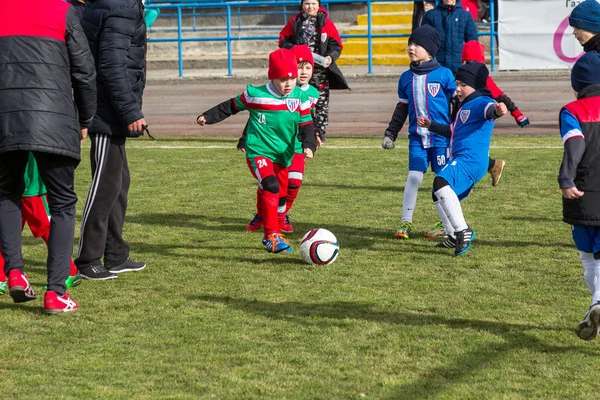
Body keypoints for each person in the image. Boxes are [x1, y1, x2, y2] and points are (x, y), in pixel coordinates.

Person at [0, 0, 96, 313]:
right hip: (53, 119)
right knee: (63, 203)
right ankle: (56, 291)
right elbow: (84, 70)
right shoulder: (62, 10)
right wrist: (86, 118)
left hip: (6, 118)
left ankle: (14, 271)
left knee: (6, 195)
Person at [198, 48, 317, 253]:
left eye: (291, 79)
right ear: (271, 78)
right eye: (282, 79)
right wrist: (208, 116)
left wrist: (309, 144)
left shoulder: (300, 97)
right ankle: (271, 236)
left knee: (279, 192)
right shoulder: (255, 94)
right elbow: (230, 106)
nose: (288, 84)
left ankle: (273, 223)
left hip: (283, 153)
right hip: (259, 151)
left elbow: (306, 124)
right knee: (270, 185)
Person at [76, 0, 148, 280]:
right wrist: (130, 110)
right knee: (105, 187)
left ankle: (115, 254)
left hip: (109, 111)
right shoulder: (121, 6)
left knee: (118, 184)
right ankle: (87, 259)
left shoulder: (117, 5)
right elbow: (111, 65)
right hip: (106, 113)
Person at [417, 62, 507, 256]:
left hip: (471, 160)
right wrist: (431, 125)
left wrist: (498, 111)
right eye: (457, 84)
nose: (457, 89)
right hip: (465, 159)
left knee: (440, 181)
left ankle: (462, 230)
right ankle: (451, 234)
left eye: (462, 85)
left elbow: (491, 111)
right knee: (437, 192)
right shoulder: (464, 107)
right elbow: (452, 131)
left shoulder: (482, 102)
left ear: (474, 85)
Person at [382, 25, 456, 240]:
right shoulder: (406, 77)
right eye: (410, 43)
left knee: (441, 183)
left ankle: (446, 224)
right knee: (413, 178)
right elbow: (402, 108)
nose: (411, 48)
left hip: (441, 139)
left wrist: (457, 130)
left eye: (417, 44)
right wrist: (391, 133)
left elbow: (457, 103)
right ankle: (405, 222)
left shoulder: (444, 74)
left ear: (430, 49)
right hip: (417, 139)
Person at [243, 45, 320, 234]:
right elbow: (258, 116)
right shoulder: (272, 92)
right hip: (276, 146)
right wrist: (244, 137)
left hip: (297, 146)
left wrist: (315, 135)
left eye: (307, 67)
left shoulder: (313, 93)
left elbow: (311, 118)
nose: (303, 72)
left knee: (294, 181)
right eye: (299, 67)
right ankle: (263, 213)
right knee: (270, 184)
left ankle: (283, 212)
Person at [557, 52, 600, 340]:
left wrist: (566, 178)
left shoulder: (573, 110)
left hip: (583, 192)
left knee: (587, 257)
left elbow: (574, 143)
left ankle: (597, 303)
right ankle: (597, 303)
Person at [0, 155, 82, 295]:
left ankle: (70, 271)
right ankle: (1, 277)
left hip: (32, 188)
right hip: (11, 187)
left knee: (47, 229)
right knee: (5, 230)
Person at [279, 0, 350, 146]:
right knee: (299, 100)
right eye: (306, 3)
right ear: (302, 5)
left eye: (313, 3)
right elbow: (283, 40)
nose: (310, 7)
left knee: (321, 103)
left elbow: (336, 45)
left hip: (319, 71)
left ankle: (320, 133)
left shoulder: (326, 23)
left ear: (319, 5)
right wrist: (294, 50)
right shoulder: (295, 21)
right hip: (299, 70)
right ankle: (302, 132)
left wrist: (330, 56)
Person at [461, 40, 530, 186]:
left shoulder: (483, 80)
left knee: (465, 148)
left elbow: (500, 96)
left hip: (479, 119)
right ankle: (493, 166)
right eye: (467, 62)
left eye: (473, 63)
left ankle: (466, 177)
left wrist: (517, 113)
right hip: (465, 118)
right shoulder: (461, 78)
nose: (469, 66)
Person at [422, 0, 478, 74]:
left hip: (458, 67)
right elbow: (424, 41)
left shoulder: (466, 16)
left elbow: (472, 42)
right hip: (435, 66)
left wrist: (469, 61)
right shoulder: (430, 15)